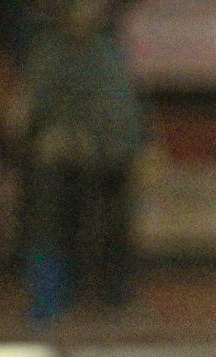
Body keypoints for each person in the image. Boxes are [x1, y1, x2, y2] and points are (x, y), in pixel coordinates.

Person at [20, 0, 148, 322]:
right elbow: (34, 110)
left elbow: (127, 106)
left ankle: (116, 299)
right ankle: (52, 298)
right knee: (52, 209)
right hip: (64, 159)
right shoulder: (50, 50)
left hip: (111, 155)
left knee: (117, 218)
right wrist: (62, 137)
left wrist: (143, 147)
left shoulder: (108, 47)